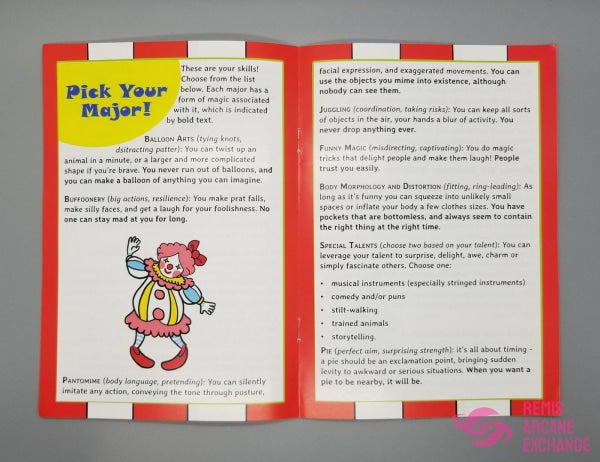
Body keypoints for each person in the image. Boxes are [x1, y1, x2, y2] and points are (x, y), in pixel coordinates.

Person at [124, 236, 215, 370]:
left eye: (177, 266)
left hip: (170, 316)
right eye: (166, 260)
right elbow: (137, 267)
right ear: (161, 257)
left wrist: (201, 302)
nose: (169, 267)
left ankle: (182, 350)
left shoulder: (180, 283)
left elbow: (190, 293)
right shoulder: (152, 269)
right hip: (145, 311)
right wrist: (130, 255)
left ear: (182, 271)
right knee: (141, 329)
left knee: (174, 333)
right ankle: (136, 348)